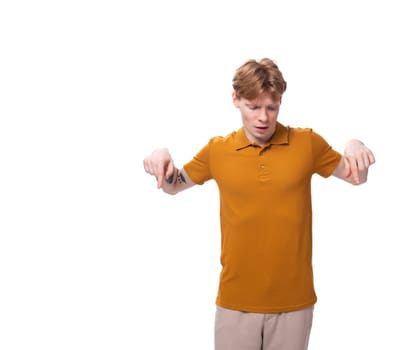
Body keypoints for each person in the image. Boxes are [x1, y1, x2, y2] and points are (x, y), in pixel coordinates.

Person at [143, 58, 375, 350]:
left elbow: (357, 178)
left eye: (272, 107)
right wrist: (160, 154)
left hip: (294, 302)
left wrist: (355, 144)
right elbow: (172, 186)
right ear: (236, 100)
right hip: (235, 301)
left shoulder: (307, 143)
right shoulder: (218, 151)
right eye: (253, 107)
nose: (263, 117)